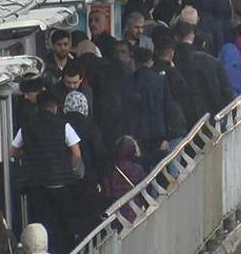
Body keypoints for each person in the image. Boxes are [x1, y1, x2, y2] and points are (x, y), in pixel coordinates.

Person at [11, 91, 82, 254]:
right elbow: (76, 153)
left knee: (40, 224)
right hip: (61, 184)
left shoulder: (27, 125)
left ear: (38, 106)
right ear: (55, 107)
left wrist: (27, 154)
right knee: (62, 225)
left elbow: (13, 151)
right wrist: (71, 171)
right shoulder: (63, 124)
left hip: (36, 184)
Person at [63, 91, 107, 234]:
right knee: (89, 221)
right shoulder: (91, 126)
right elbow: (99, 153)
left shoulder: (61, 125)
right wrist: (100, 178)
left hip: (64, 180)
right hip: (88, 179)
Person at [173, 21, 234, 123]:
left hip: (185, 120)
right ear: (192, 36)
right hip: (212, 116)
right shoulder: (210, 61)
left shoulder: (171, 63)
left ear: (175, 37)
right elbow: (225, 90)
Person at [152, 36, 189, 148]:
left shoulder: (151, 72)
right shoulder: (173, 73)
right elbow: (183, 94)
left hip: (155, 127)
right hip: (174, 125)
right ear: (172, 53)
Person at [100, 136, 146, 223]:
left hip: (117, 212)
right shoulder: (138, 169)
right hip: (135, 210)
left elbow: (107, 193)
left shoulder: (111, 171)